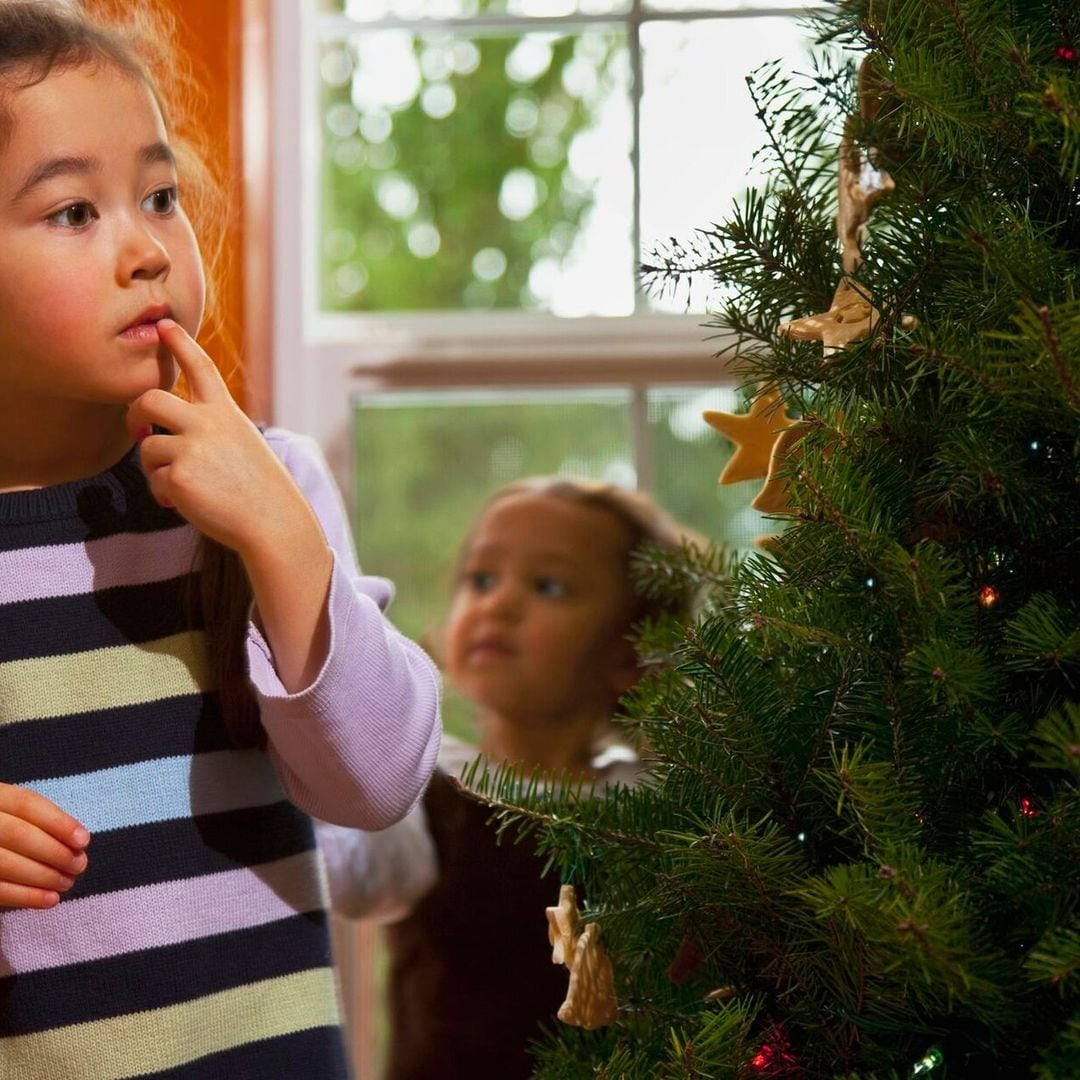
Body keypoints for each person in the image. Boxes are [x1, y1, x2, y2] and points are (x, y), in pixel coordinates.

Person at [0, 4, 440, 1077]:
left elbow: (377, 786)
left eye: (161, 197)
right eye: (72, 213)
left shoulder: (268, 489)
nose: (148, 249)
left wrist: (280, 538)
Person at [319, 477, 700, 1080]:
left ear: (629, 655)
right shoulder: (419, 782)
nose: (499, 604)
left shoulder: (661, 812)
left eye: (549, 585)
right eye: (481, 579)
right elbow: (347, 874)